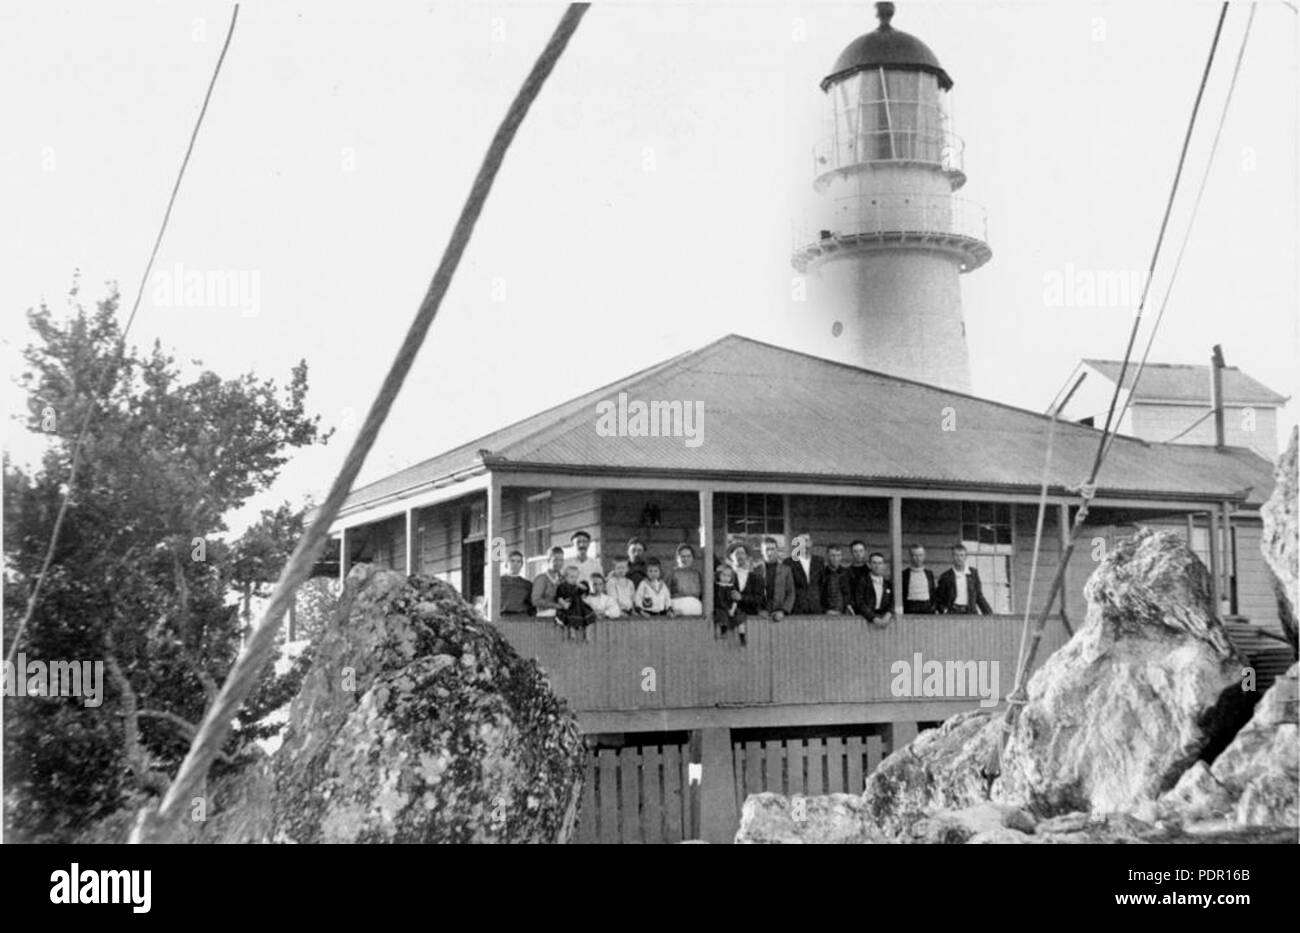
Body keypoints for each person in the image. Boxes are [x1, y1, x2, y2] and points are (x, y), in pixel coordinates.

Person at [937, 544, 994, 615]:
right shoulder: (946, 576)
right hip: (953, 612)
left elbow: (979, 595)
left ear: (966, 557)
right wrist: (944, 611)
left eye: (961, 555)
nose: (959, 558)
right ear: (952, 557)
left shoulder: (973, 574)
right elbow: (939, 598)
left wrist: (989, 612)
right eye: (956, 555)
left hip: (970, 611)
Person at [785, 532, 825, 615]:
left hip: (816, 607)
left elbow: (822, 584)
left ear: (811, 543)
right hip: (796, 608)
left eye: (806, 541)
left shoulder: (819, 561)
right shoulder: (789, 562)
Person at [727, 543, 766, 620]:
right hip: (729, 618)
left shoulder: (757, 578)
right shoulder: (725, 575)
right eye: (737, 553)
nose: (740, 556)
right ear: (731, 557)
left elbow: (760, 599)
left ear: (747, 557)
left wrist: (742, 598)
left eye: (742, 553)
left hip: (751, 618)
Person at [555, 564, 596, 639]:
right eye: (571, 577)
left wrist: (579, 585)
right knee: (571, 618)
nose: (574, 579)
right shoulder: (562, 586)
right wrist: (564, 604)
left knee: (589, 616)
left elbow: (585, 589)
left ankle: (587, 633)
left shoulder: (577, 586)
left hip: (580, 606)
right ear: (566, 577)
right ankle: (572, 632)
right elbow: (559, 597)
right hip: (570, 605)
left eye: (576, 577)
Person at [759, 537, 795, 621]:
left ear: (777, 550)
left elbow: (791, 592)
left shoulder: (786, 570)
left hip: (780, 614)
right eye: (767, 549)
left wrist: (783, 611)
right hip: (760, 615)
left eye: (772, 549)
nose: (770, 552)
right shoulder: (755, 570)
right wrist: (759, 610)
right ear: (761, 551)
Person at [713, 563, 746, 644]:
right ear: (718, 575)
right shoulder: (717, 587)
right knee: (721, 614)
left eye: (729, 576)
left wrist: (732, 609)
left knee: (740, 617)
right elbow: (720, 600)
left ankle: (742, 637)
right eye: (724, 575)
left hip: (732, 607)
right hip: (721, 607)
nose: (726, 578)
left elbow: (735, 599)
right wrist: (727, 609)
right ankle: (723, 631)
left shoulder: (732, 587)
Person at [901, 544, 938, 614]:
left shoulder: (929, 574)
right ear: (910, 557)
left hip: (926, 607)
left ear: (924, 556)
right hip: (910, 607)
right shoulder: (904, 574)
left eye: (920, 555)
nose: (918, 558)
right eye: (915, 555)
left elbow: (933, 592)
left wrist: (934, 607)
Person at [531, 546, 566, 619]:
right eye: (555, 560)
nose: (559, 563)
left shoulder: (563, 579)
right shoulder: (541, 578)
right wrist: (557, 606)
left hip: (561, 616)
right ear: (548, 561)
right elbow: (535, 601)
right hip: (544, 617)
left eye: (561, 560)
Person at [669, 543, 703, 616]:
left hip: (697, 611)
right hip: (678, 610)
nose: (686, 559)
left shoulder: (697, 574)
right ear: (677, 558)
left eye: (689, 556)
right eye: (683, 556)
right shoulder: (672, 573)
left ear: (693, 557)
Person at [499, 550, 534, 617]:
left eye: (518, 562)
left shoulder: (527, 584)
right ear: (506, 563)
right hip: (503, 617)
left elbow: (532, 606)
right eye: (512, 561)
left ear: (522, 565)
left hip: (522, 618)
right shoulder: (498, 582)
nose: (515, 564)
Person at [821, 543, 850, 614]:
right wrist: (825, 610)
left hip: (844, 614)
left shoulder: (847, 574)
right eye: (833, 555)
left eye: (838, 555)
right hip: (825, 614)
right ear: (827, 556)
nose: (835, 558)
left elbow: (849, 594)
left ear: (841, 557)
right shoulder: (820, 574)